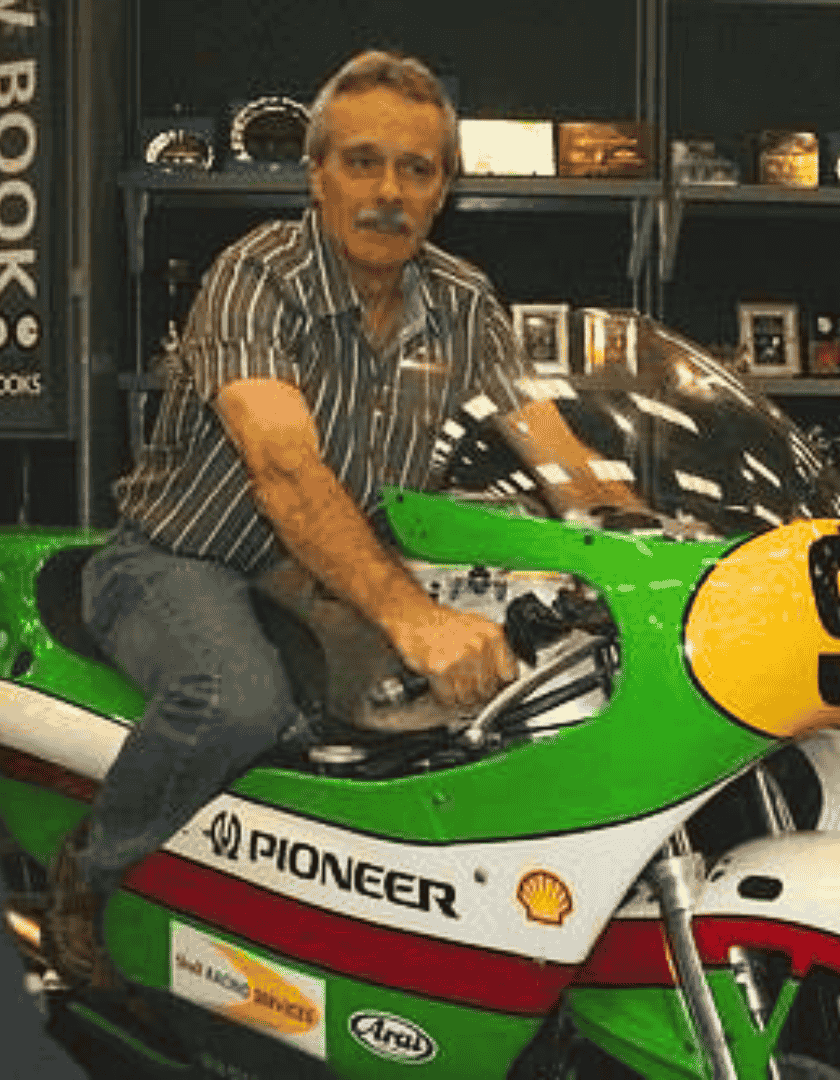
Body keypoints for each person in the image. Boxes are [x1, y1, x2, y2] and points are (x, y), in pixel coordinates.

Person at [45, 49, 524, 991]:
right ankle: (89, 871)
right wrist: (416, 620)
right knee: (238, 700)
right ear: (316, 174)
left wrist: (625, 524)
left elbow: (541, 451)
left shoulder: (467, 303)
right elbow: (283, 469)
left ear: (445, 189)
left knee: (474, 724)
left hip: (329, 578)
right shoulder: (258, 274)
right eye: (361, 161)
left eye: (417, 169)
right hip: (185, 555)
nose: (388, 191)